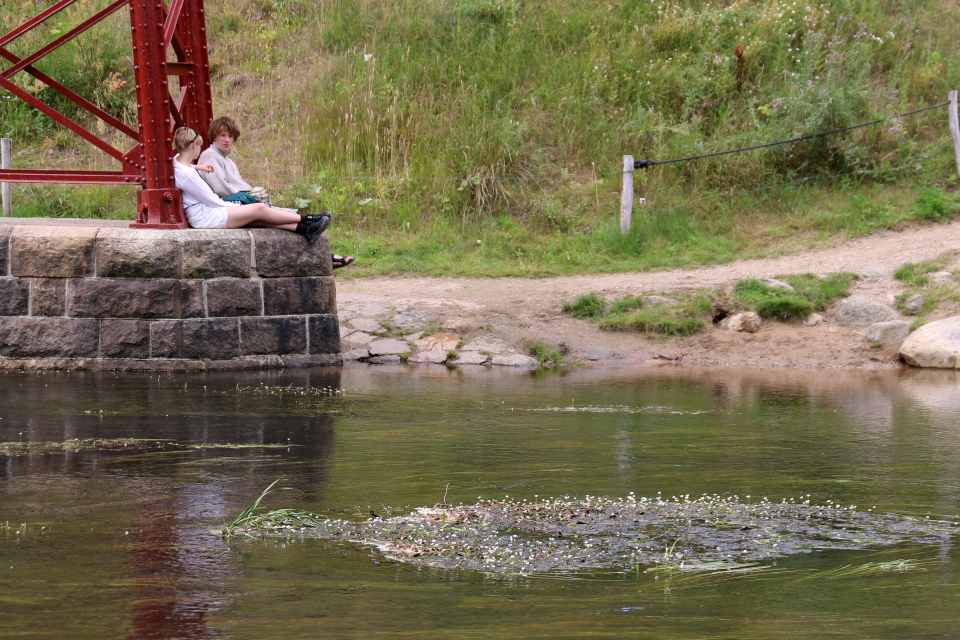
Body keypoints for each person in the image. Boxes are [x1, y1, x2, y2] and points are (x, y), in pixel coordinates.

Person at [199, 117, 355, 268]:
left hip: (235, 203)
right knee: (279, 216)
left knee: (284, 219)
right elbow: (221, 188)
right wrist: (250, 194)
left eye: (230, 136)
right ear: (214, 136)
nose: (227, 140)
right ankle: (317, 237)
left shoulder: (226, 159)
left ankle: (321, 250)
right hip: (227, 206)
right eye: (223, 135)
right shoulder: (211, 156)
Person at [172, 126, 330, 243]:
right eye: (199, 146)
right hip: (205, 216)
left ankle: (306, 229)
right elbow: (211, 200)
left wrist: (197, 166)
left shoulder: (178, 164)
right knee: (259, 209)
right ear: (194, 145)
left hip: (204, 212)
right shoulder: (186, 175)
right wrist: (239, 208)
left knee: (258, 219)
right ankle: (310, 218)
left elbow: (185, 168)